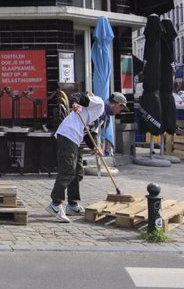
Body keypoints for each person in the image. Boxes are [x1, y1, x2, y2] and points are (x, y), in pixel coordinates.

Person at [46, 92, 129, 222]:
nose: (120, 111)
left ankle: (72, 204)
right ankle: (55, 204)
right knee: (68, 170)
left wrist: (96, 147)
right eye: (121, 108)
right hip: (69, 134)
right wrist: (75, 104)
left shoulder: (103, 118)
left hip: (77, 138)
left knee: (78, 172)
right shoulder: (99, 103)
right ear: (117, 104)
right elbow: (77, 96)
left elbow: (90, 134)